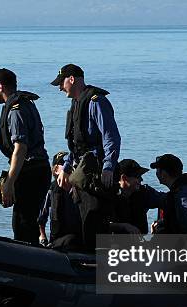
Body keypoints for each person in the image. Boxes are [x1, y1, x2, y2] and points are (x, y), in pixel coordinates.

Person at [50, 64, 121, 250]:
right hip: (80, 172)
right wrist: (65, 169)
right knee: (83, 220)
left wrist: (108, 167)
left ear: (71, 79)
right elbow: (75, 146)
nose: (59, 88)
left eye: (61, 83)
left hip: (96, 172)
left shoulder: (96, 102)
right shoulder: (76, 105)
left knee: (95, 220)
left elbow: (111, 137)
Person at [0, 68, 51, 243]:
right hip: (38, 169)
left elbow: (20, 148)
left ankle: (30, 264)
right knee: (26, 221)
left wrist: (9, 183)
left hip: (31, 171)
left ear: (0, 86)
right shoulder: (26, 103)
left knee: (23, 223)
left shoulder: (15, 110)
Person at [38, 151, 83, 251]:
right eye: (65, 164)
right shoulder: (51, 190)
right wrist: (43, 237)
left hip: (78, 237)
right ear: (56, 169)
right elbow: (41, 218)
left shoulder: (78, 188)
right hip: (58, 240)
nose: (69, 167)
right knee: (71, 240)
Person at [110, 159, 165, 234]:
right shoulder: (109, 196)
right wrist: (123, 226)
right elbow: (100, 224)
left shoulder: (144, 193)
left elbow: (167, 199)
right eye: (137, 176)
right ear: (124, 178)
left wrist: (161, 222)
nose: (141, 179)